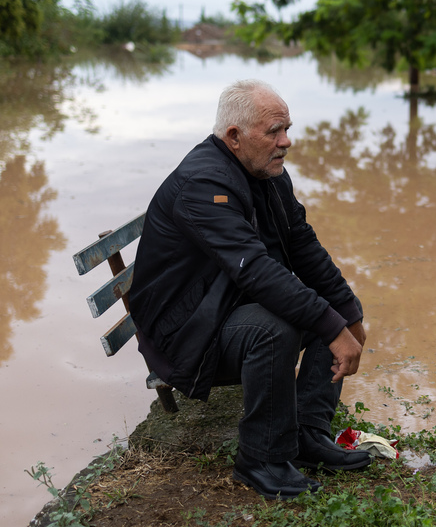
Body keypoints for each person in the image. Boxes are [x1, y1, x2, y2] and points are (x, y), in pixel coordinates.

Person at [128, 79, 372, 499]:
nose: (286, 141)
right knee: (274, 327)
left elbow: (302, 243)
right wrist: (333, 328)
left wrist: (348, 312)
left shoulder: (266, 172)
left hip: (221, 303)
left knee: (322, 309)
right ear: (235, 137)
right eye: (274, 131)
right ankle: (261, 460)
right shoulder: (203, 186)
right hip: (184, 332)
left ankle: (308, 436)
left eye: (288, 128)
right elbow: (256, 270)